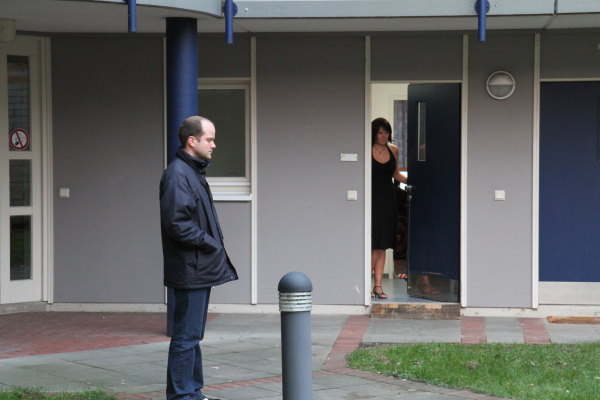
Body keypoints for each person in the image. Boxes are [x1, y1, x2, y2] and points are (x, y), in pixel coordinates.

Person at [160, 116, 238, 400]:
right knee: (186, 336)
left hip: (196, 267)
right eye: (209, 139)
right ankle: (182, 396)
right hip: (190, 268)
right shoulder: (178, 175)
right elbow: (177, 224)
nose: (214, 145)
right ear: (192, 141)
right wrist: (210, 243)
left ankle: (193, 393)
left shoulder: (191, 172)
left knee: (193, 336)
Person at [371, 117, 406, 299]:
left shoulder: (394, 150)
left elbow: (396, 174)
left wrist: (418, 181)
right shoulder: (366, 148)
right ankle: (365, 283)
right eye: (380, 132)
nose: (384, 136)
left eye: (386, 132)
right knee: (372, 244)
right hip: (371, 199)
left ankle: (378, 286)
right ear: (373, 133)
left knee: (383, 245)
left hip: (388, 199)